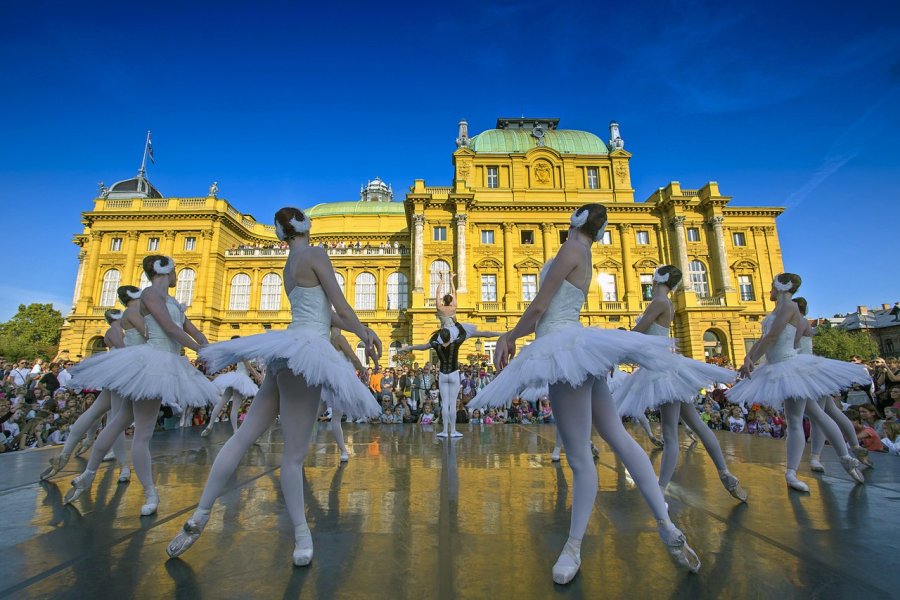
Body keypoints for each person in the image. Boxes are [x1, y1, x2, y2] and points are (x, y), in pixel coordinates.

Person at [468, 204, 701, 583]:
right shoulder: (584, 252)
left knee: (579, 457)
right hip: (576, 343)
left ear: (576, 220)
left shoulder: (570, 250)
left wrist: (510, 335)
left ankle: (574, 546)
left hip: (562, 347)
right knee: (618, 437)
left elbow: (541, 306)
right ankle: (665, 524)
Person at [167, 207, 381, 567]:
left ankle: (200, 515)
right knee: (294, 456)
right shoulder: (315, 254)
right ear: (302, 225)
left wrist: (358, 329)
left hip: (284, 353)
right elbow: (339, 306)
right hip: (306, 354)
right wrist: (365, 333)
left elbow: (323, 312)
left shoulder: (288, 266)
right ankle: (301, 535)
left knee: (243, 436)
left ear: (282, 233)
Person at [65, 258, 220, 516]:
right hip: (153, 364)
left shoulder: (172, 301)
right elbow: (170, 329)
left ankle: (88, 474)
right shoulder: (149, 294)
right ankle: (149, 492)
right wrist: (199, 349)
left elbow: (190, 328)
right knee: (142, 433)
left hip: (164, 362)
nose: (177, 277)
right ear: (164, 271)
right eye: (175, 272)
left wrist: (209, 346)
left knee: (119, 421)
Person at [615, 266, 745, 503]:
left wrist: (612, 348)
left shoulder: (658, 302)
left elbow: (637, 334)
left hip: (662, 371)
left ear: (657, 279)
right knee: (695, 422)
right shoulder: (666, 303)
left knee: (670, 433)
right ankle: (724, 472)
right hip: (667, 367)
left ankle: (660, 487)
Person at [727, 274, 867, 493]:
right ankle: (839, 458)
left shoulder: (789, 307)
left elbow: (773, 338)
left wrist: (751, 359)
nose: (769, 290)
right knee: (810, 416)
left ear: (781, 287)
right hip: (779, 366)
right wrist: (748, 357)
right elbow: (765, 339)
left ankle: (827, 462)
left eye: (772, 286)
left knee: (802, 419)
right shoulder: (778, 309)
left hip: (789, 367)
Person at [41, 290, 144, 483]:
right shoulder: (116, 330)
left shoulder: (113, 330)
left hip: (113, 373)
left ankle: (65, 454)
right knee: (115, 421)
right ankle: (123, 467)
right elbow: (125, 351)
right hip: (121, 372)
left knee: (95, 413)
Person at [792, 298, 873, 473]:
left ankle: (816, 456)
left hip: (806, 372)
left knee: (818, 416)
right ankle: (854, 445)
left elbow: (793, 344)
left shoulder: (799, 321)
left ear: (796, 308)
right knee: (832, 411)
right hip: (811, 369)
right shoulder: (802, 321)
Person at [399, 322, 501, 438]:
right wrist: (455, 322)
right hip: (453, 374)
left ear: (441, 337)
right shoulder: (455, 343)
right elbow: (462, 331)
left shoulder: (436, 344)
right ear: (450, 336)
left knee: (445, 403)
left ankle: (444, 431)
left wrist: (410, 347)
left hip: (443, 374)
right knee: (452, 404)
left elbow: (423, 346)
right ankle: (452, 431)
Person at [318, 326, 366, 462]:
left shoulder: (325, 340)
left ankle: (299, 442)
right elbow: (354, 358)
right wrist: (363, 369)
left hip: (327, 378)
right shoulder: (339, 338)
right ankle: (343, 451)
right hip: (339, 380)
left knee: (319, 412)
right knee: (336, 418)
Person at [204, 337, 261, 438]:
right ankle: (235, 430)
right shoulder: (243, 352)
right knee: (235, 406)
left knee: (222, 402)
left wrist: (257, 373)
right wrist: (258, 376)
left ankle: (210, 425)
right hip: (241, 379)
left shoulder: (237, 352)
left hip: (234, 378)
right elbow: (248, 367)